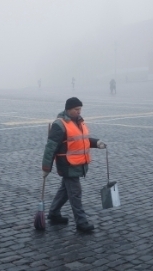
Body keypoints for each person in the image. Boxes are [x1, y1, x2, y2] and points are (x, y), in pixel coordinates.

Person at [42, 97, 106, 232]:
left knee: (65, 191)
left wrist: (96, 143)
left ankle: (53, 213)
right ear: (68, 109)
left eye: (80, 109)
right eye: (76, 109)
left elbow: (83, 140)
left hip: (78, 163)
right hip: (68, 164)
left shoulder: (79, 122)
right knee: (75, 193)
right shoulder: (59, 125)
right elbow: (51, 147)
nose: (79, 112)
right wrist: (46, 167)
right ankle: (81, 222)